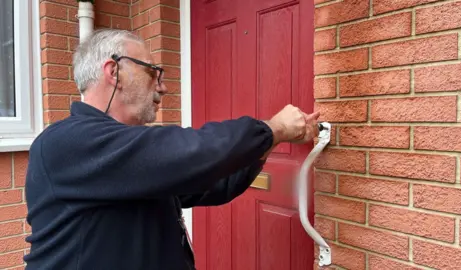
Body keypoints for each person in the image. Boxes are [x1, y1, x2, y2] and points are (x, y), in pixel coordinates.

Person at [23, 29, 320, 270]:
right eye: (154, 72)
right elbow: (193, 150)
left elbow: (214, 185)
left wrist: (270, 143)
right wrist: (273, 128)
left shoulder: (130, 159)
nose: (163, 88)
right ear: (113, 71)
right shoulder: (66, 143)